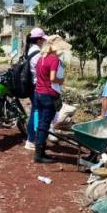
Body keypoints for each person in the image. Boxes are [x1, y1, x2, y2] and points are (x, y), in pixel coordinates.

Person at [33, 35, 71, 163]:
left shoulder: (41, 59)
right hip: (48, 94)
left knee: (41, 124)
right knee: (44, 125)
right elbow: (53, 78)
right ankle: (38, 155)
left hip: (38, 93)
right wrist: (61, 81)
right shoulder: (54, 59)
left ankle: (41, 151)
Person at [24, 28, 48, 151]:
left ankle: (34, 138)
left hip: (33, 85)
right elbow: (43, 69)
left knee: (36, 111)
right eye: (43, 39)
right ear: (39, 40)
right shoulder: (37, 53)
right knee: (36, 112)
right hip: (37, 86)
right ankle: (31, 139)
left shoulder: (31, 50)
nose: (44, 41)